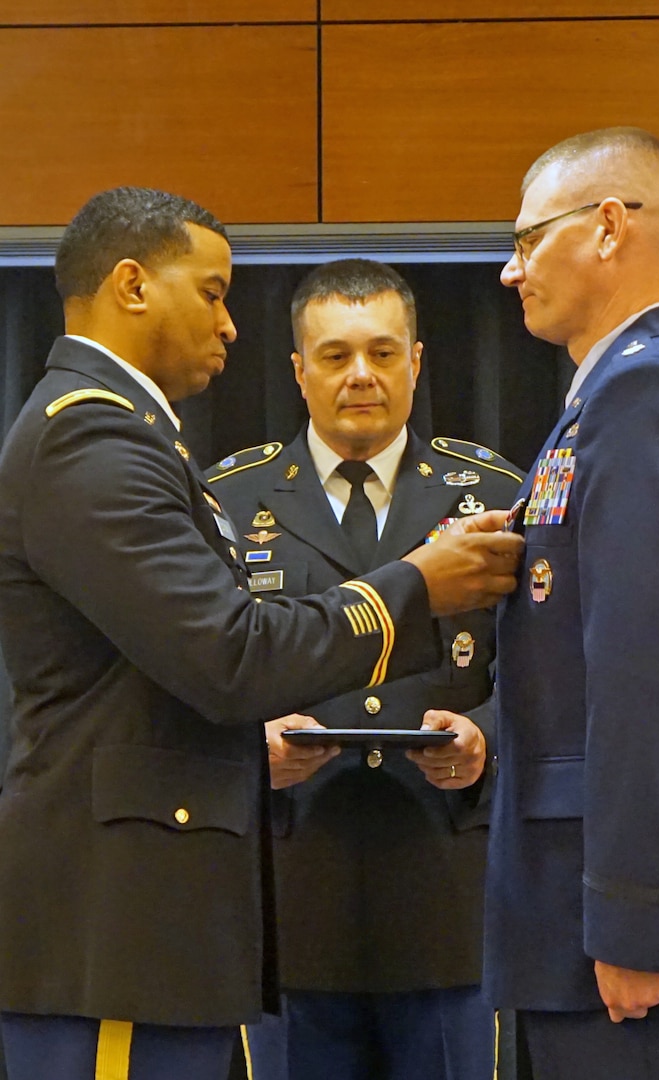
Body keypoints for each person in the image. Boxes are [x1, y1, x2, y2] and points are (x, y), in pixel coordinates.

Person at [0, 189, 524, 1080]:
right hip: (124, 928)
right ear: (131, 284)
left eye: (384, 352)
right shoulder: (93, 436)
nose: (228, 323)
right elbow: (229, 656)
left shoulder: (123, 434)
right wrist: (414, 586)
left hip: (392, 907)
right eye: (210, 292)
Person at [207, 258, 524, 1080]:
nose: (361, 377)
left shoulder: (490, 495)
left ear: (417, 363)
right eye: (337, 355)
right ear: (298, 370)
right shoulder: (228, 504)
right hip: (288, 897)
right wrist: (253, 746)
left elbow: (549, 677)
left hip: (449, 901)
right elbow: (191, 676)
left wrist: (486, 739)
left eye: (384, 354)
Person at [486, 126, 659, 1079]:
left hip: (626, 941)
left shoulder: (647, 392)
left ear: (609, 228)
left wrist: (639, 917)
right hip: (589, 920)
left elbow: (654, 670)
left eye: (527, 238)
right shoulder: (629, 390)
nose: (510, 271)